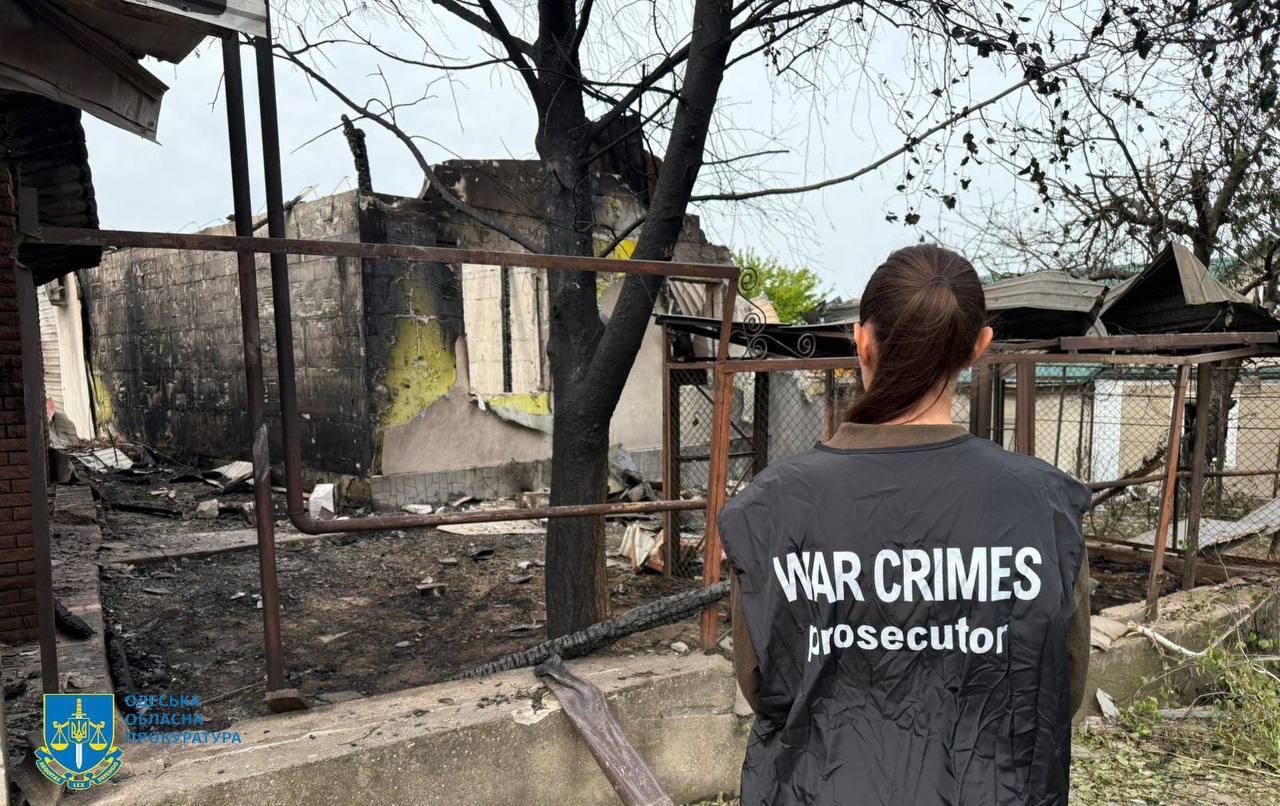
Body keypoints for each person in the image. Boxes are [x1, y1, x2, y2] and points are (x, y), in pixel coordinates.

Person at [719, 244, 1091, 806]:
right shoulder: (1044, 508)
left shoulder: (772, 506)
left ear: (861, 341)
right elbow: (1063, 685)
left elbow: (761, 684)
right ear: (979, 347)